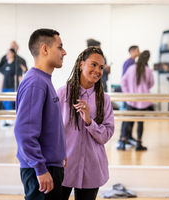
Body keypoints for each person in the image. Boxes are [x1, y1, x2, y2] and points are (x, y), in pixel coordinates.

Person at [14, 28, 67, 200]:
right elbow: (24, 132)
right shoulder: (35, 83)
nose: (64, 52)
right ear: (45, 49)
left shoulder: (43, 80)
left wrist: (59, 154)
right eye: (60, 47)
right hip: (42, 170)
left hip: (50, 165)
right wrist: (40, 168)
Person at [57, 47, 114, 200]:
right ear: (81, 65)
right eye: (93, 64)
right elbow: (52, 131)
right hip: (63, 167)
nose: (98, 70)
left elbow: (106, 135)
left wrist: (89, 121)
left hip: (92, 168)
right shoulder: (62, 94)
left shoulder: (104, 99)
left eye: (101, 67)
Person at [119, 50, 154, 151]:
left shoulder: (131, 68)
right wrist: (144, 88)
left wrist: (127, 93)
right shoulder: (148, 70)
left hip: (131, 100)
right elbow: (151, 83)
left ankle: (123, 142)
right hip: (142, 101)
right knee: (140, 122)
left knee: (127, 121)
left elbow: (123, 81)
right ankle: (138, 144)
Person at [118, 45, 140, 149]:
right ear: (133, 51)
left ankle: (129, 136)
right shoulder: (129, 63)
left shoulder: (134, 63)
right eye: (137, 50)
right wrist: (127, 94)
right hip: (128, 95)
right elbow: (124, 80)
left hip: (133, 95)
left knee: (132, 117)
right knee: (127, 117)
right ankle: (123, 138)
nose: (139, 51)